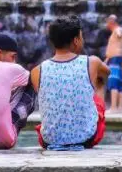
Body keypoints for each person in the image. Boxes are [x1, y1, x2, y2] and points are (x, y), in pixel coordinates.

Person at [31, 15, 109, 149]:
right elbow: (106, 74)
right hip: (87, 138)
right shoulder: (92, 62)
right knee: (99, 85)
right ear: (76, 40)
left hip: (49, 140)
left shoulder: (37, 71)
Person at [104, 15, 122, 112]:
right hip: (114, 58)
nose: (106, 25)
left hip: (115, 58)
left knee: (113, 82)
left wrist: (118, 33)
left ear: (111, 22)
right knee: (118, 83)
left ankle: (113, 108)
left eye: (107, 22)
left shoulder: (118, 29)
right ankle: (120, 107)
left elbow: (119, 33)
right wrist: (106, 59)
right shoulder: (115, 31)